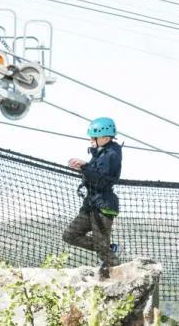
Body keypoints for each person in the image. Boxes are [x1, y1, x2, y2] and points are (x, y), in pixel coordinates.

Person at [63, 117, 123, 279]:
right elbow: (95, 176)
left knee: (102, 250)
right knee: (69, 235)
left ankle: (120, 277)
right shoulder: (101, 153)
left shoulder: (111, 155)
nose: (91, 141)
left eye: (93, 138)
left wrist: (85, 166)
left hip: (103, 208)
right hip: (91, 205)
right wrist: (83, 169)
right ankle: (106, 247)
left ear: (106, 138)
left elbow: (102, 182)